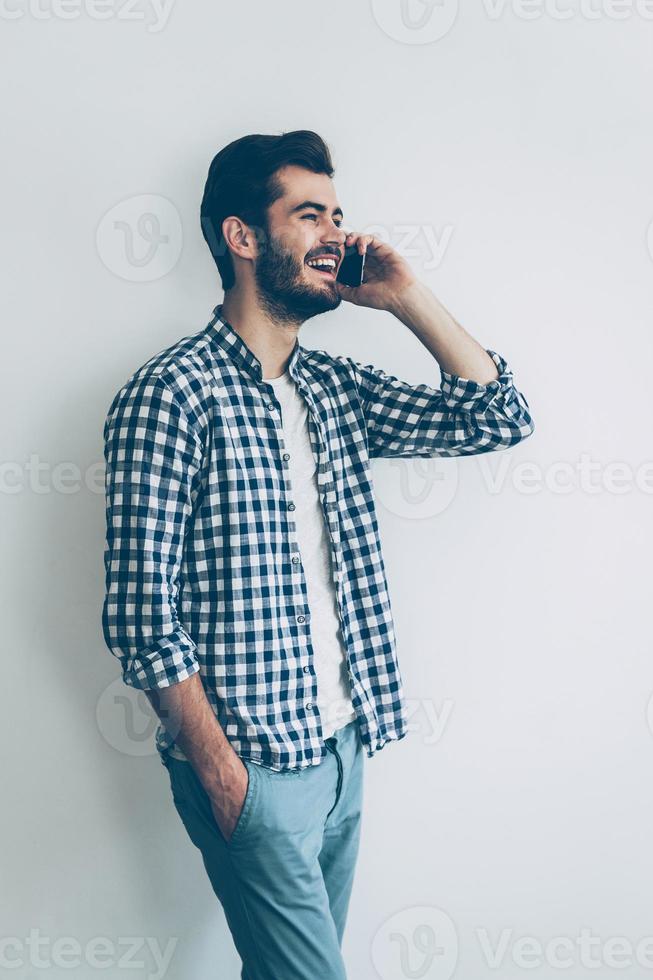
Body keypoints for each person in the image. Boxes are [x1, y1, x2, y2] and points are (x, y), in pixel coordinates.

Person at [101, 129, 535, 980]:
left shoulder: (333, 389)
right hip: (254, 765)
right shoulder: (170, 394)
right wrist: (224, 777)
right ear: (243, 237)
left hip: (344, 750)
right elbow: (141, 615)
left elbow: (496, 417)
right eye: (309, 214)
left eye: (338, 214)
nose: (336, 232)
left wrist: (407, 297)